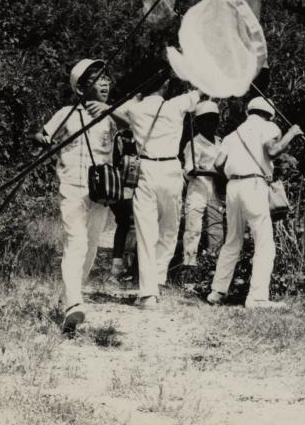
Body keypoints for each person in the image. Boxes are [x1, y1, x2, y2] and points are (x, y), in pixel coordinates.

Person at [90, 76, 199, 308]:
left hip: (146, 168)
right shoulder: (176, 104)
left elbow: (115, 111)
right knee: (169, 230)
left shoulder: (135, 108)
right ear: (165, 85)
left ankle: (149, 292)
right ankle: (157, 280)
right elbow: (203, 93)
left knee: (146, 231)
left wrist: (113, 103)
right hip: (171, 168)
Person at [35, 58, 116, 332]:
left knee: (91, 245)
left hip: (101, 190)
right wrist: (43, 139)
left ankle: (73, 296)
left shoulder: (111, 116)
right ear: (81, 89)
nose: (104, 83)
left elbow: (133, 131)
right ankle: (74, 303)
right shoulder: (67, 114)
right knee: (76, 242)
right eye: (97, 79)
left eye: (106, 78)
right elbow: (41, 134)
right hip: (72, 186)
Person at [206, 97, 302, 310]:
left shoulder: (233, 135)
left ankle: (217, 292)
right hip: (254, 184)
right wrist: (291, 134)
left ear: (249, 112)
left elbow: (218, 163)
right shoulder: (268, 127)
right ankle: (257, 298)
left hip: (233, 186)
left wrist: (235, 172)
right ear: (270, 114)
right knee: (264, 243)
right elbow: (273, 151)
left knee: (232, 241)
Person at [181, 100, 225, 276]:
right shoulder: (193, 144)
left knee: (216, 228)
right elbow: (189, 169)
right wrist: (214, 171)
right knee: (193, 228)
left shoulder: (220, 142)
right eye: (206, 120)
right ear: (198, 123)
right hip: (197, 189)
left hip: (215, 190)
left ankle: (212, 266)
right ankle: (189, 267)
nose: (210, 124)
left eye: (214, 119)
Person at [109, 128, 137, 283]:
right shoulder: (120, 137)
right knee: (128, 224)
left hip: (132, 187)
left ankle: (123, 266)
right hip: (124, 187)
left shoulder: (122, 135)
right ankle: (123, 265)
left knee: (127, 225)